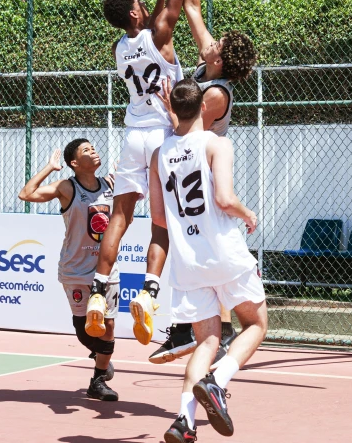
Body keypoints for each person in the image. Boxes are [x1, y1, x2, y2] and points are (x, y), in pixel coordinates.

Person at [85, 0, 199, 343]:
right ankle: (150, 295)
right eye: (139, 3)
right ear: (136, 14)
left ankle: (99, 290)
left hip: (132, 136)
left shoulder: (120, 48)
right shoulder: (162, 36)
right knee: (162, 223)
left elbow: (151, 19)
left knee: (120, 216)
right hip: (164, 137)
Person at [146, 0, 257, 365]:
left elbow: (187, 127)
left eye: (217, 45)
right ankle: (196, 329)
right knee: (187, 240)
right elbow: (191, 4)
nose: (210, 41)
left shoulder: (216, 94)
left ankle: (209, 330)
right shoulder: (207, 64)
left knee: (199, 242)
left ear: (221, 60)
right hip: (186, 164)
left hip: (206, 170)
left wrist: (163, 103)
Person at [149, 79, 267, 443]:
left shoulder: (158, 155)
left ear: (174, 108)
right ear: (204, 107)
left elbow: (158, 219)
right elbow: (225, 198)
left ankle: (183, 421)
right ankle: (216, 382)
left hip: (188, 263)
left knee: (206, 342)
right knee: (256, 325)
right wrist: (248, 215)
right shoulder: (217, 143)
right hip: (224, 253)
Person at [18, 140, 119, 401]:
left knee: (107, 325)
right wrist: (49, 168)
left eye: (94, 148)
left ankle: (97, 381)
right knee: (85, 329)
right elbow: (26, 194)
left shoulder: (110, 184)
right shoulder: (67, 187)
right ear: (74, 163)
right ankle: (101, 358)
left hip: (106, 268)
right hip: (76, 269)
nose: (94, 151)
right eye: (86, 151)